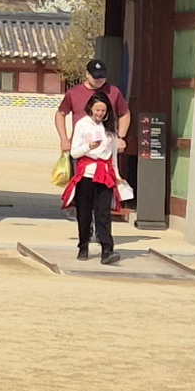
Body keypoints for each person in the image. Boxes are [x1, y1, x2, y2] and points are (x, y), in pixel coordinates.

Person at [63, 93, 127, 264]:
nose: (100, 113)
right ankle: (83, 245)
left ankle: (107, 249)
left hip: (105, 173)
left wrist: (117, 174)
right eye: (97, 109)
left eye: (103, 110)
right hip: (86, 174)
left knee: (104, 213)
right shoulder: (82, 125)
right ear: (90, 108)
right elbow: (74, 152)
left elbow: (113, 154)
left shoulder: (110, 127)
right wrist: (88, 147)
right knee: (84, 212)